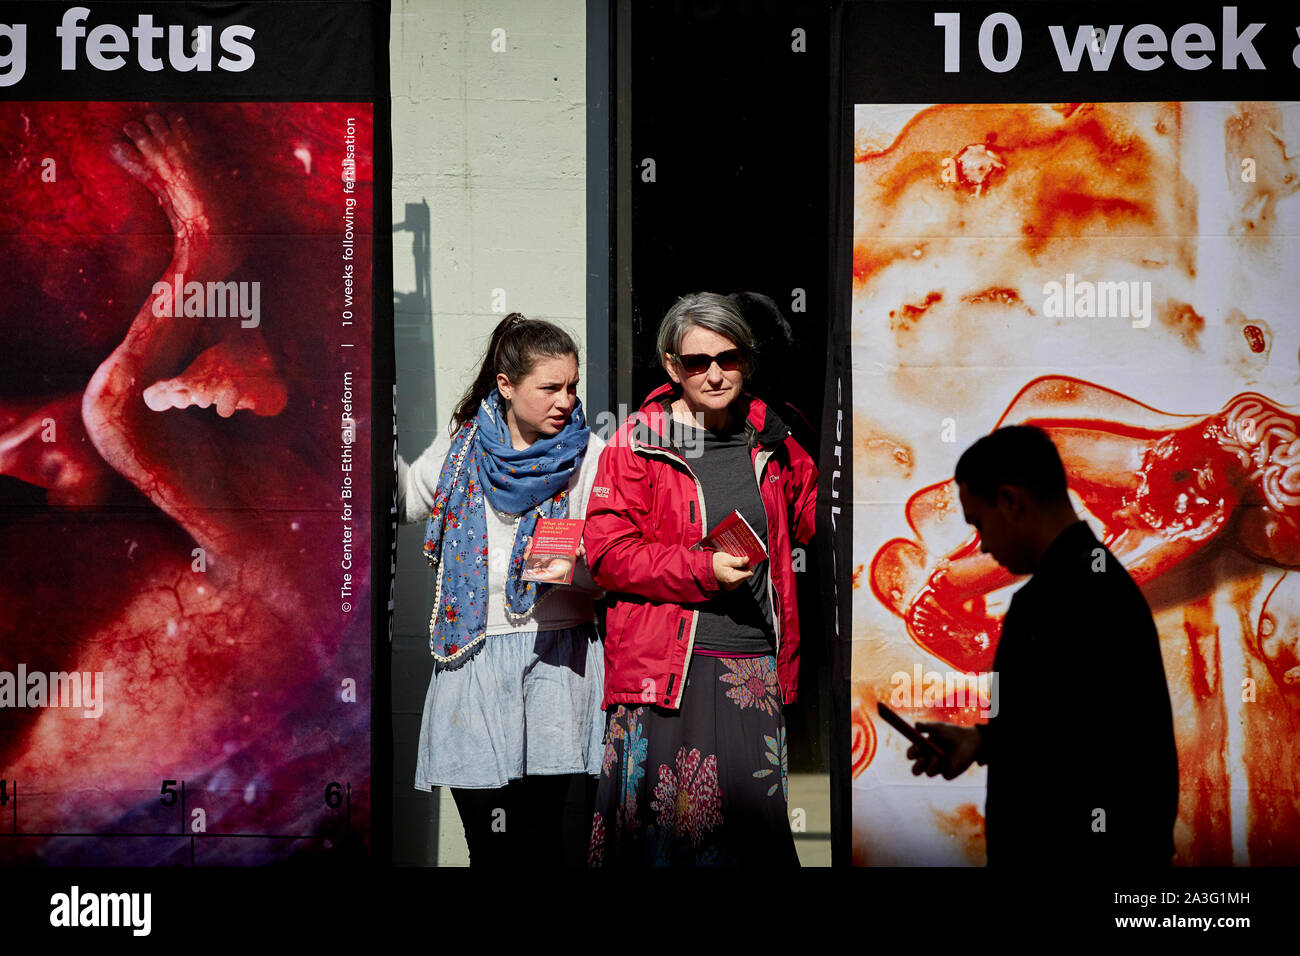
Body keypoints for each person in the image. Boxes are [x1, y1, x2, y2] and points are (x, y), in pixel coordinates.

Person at [583, 291, 818, 866]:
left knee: (751, 843)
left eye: (728, 358)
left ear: (747, 361)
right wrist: (702, 569)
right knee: (665, 841)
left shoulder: (776, 441)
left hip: (752, 670)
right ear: (671, 366)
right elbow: (607, 555)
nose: (714, 374)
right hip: (666, 675)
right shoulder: (638, 440)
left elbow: (818, 524)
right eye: (696, 362)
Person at [907, 425, 1179, 867]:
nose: (984, 546)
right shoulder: (1090, 585)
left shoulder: (1065, 599)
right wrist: (980, 742)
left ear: (1012, 501)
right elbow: (1068, 728)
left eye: (979, 525)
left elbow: (1085, 756)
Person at [397, 313, 607, 866]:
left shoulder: (592, 455)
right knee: (489, 847)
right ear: (507, 386)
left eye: (572, 387)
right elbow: (408, 500)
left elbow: (615, 565)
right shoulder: (463, 444)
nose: (566, 400)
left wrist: (578, 562)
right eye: (550, 387)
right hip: (472, 654)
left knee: (540, 844)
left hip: (555, 659)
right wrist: (356, 421)